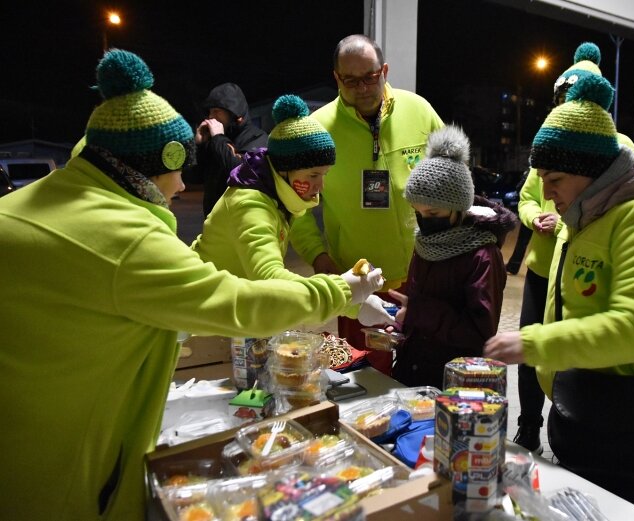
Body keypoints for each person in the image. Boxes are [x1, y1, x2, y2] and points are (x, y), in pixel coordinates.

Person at [0, 50, 383, 521]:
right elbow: (240, 301)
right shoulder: (129, 238)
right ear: (153, 165)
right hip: (61, 479)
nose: (182, 187)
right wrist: (341, 291)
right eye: (180, 171)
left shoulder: (25, 205)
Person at [484, 74, 634, 506]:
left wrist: (533, 342)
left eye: (555, 179)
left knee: (603, 508)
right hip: (586, 401)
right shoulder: (586, 212)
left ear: (594, 171)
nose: (546, 194)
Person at [511, 42, 634, 454]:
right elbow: (528, 198)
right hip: (543, 266)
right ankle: (529, 424)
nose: (565, 105)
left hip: (585, 272)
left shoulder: (616, 147)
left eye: (573, 98)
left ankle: (572, 425)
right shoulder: (549, 146)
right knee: (532, 352)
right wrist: (536, 218)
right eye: (561, 99)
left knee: (573, 352)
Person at [290, 34, 444, 374]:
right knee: (363, 374)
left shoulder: (419, 110)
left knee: (421, 365)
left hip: (421, 273)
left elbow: (450, 177)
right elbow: (295, 208)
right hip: (357, 280)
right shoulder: (318, 131)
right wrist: (318, 256)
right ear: (336, 78)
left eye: (370, 77)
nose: (362, 88)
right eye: (351, 80)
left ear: (384, 70)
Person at [192, 93, 393, 326]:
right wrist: (347, 296)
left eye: (324, 174)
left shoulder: (275, 193)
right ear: (285, 170)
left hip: (227, 304)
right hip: (204, 309)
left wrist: (346, 296)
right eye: (313, 175)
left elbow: (291, 237)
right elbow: (270, 278)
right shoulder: (251, 205)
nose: (321, 186)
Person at [388, 125, 516, 388]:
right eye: (418, 213)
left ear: (458, 208)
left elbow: (479, 334)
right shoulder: (425, 242)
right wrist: (402, 329)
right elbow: (423, 304)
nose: (425, 222)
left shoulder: (482, 255)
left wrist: (417, 313)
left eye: (433, 214)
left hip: (455, 382)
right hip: (414, 368)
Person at [191, 82, 268, 217]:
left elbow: (239, 172)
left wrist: (219, 137)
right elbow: (193, 177)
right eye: (209, 112)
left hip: (244, 220)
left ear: (234, 113)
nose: (210, 117)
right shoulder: (214, 141)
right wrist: (199, 145)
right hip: (214, 222)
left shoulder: (258, 137)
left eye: (216, 112)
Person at [504, 168, 533, 275]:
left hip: (531, 212)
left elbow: (519, 187)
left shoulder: (532, 171)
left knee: (522, 241)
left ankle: (513, 267)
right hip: (542, 210)